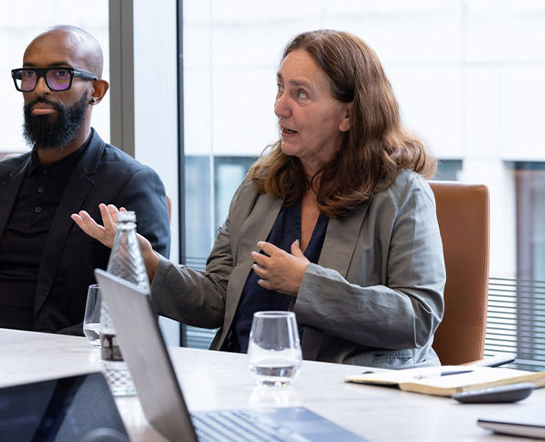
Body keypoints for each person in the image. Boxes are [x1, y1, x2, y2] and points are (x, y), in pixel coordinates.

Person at [75, 29, 446, 368]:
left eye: (300, 94)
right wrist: (153, 266)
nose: (279, 107)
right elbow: (220, 300)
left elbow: (418, 318)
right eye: (280, 88)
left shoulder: (403, 194)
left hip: (345, 394)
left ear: (347, 115)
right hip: (243, 382)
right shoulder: (261, 187)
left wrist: (308, 285)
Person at [0, 25, 170, 334]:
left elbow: (133, 314)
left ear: (97, 91)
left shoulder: (131, 184)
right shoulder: (3, 178)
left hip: (63, 367)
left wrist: (36, 355)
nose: (40, 88)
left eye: (60, 74)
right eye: (29, 75)